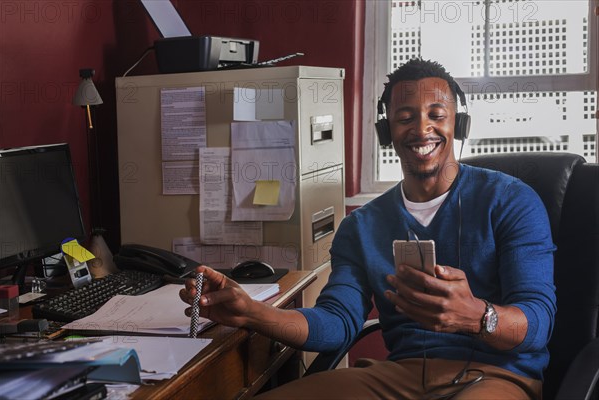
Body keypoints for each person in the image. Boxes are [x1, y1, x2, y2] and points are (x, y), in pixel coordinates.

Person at [179, 58, 556, 399]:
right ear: (385, 130)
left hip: (497, 377)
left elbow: (538, 323)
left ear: (457, 122)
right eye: (405, 117)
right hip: (400, 376)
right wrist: (253, 313)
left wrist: (477, 315)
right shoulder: (362, 225)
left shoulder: (511, 201)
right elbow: (338, 322)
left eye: (436, 114)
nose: (422, 128)